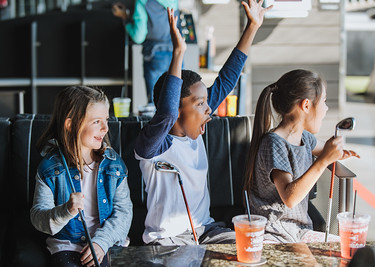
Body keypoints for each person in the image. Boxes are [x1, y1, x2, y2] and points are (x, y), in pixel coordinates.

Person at [134, 1, 272, 245]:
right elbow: (165, 114)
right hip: (167, 240)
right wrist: (178, 53)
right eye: (199, 104)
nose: (208, 109)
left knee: (246, 250)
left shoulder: (194, 129)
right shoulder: (153, 147)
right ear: (177, 110)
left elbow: (227, 80)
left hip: (206, 231)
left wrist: (252, 27)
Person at [243, 69, 359, 243]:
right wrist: (324, 159)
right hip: (272, 235)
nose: (326, 109)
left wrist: (337, 153)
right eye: (324, 102)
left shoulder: (305, 138)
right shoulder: (273, 144)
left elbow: (323, 149)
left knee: (348, 247)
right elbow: (290, 197)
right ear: (306, 105)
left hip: (299, 232)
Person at [30, 86, 133, 267]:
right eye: (96, 122)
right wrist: (66, 210)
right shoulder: (49, 168)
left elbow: (124, 212)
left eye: (106, 120)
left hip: (107, 242)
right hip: (67, 246)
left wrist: (101, 242)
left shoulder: (114, 165)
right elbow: (38, 217)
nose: (105, 128)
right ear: (70, 125)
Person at [112, 0, 179, 105]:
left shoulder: (143, 2)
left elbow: (138, 37)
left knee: (156, 103)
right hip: (176, 53)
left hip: (155, 54)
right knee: (177, 100)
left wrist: (125, 18)